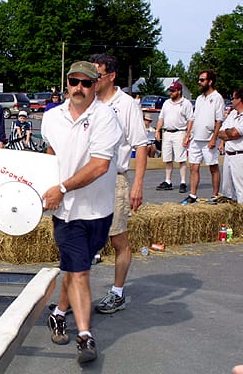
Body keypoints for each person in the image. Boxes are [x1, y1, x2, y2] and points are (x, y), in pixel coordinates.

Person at [42, 61, 122, 364]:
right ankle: (85, 336)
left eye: (86, 83)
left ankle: (59, 313)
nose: (79, 88)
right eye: (74, 82)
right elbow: (50, 157)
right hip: (66, 212)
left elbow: (100, 165)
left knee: (78, 269)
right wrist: (50, 190)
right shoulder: (51, 118)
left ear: (95, 85)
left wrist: (61, 187)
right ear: (67, 83)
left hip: (98, 209)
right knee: (80, 272)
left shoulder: (105, 118)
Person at [87, 53, 147, 315]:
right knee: (83, 239)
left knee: (118, 239)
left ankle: (118, 293)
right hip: (87, 179)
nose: (91, 80)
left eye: (96, 74)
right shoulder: (88, 102)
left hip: (114, 178)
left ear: (111, 76)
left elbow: (141, 146)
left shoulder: (126, 105)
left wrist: (138, 185)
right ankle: (76, 297)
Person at [182, 70, 225, 205]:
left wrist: (214, 138)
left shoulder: (217, 98)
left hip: (208, 138)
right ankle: (193, 194)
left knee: (213, 167)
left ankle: (214, 195)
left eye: (202, 80)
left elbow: (219, 121)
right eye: (199, 79)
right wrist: (188, 135)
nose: (199, 82)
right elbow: (194, 118)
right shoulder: (200, 99)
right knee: (193, 167)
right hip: (196, 138)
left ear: (210, 81)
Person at [155, 81, 194, 193]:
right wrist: (157, 130)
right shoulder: (166, 103)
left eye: (173, 91)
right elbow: (161, 118)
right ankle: (168, 181)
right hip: (167, 132)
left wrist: (187, 135)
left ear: (179, 91)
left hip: (179, 132)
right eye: (170, 91)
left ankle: (182, 182)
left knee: (181, 159)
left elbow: (190, 119)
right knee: (167, 158)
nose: (170, 93)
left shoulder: (186, 103)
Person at [217, 87, 243, 205]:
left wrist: (229, 133)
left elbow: (235, 133)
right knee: (228, 191)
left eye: (233, 98)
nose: (231, 100)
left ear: (239, 99)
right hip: (229, 155)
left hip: (242, 155)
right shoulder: (232, 113)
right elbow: (220, 133)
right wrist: (229, 133)